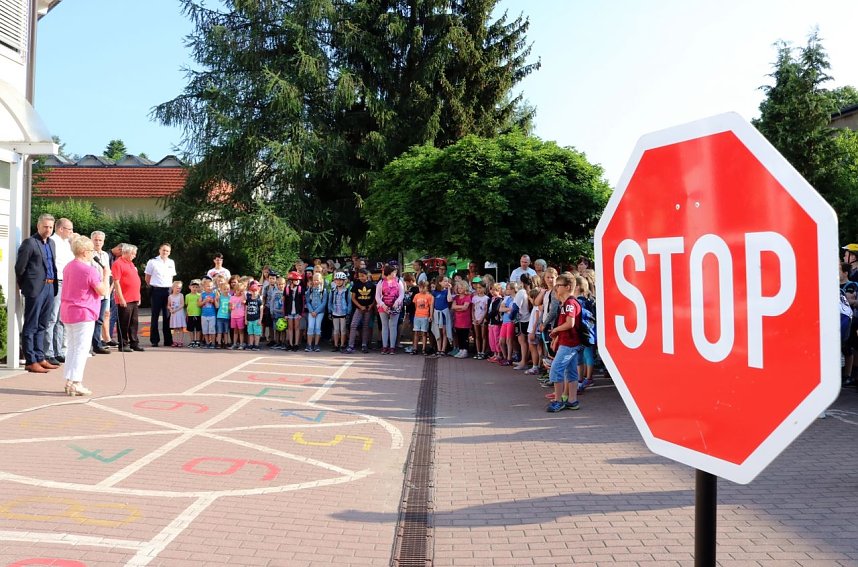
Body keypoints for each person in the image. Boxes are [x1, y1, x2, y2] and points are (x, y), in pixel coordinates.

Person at [60, 235, 111, 395]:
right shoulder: (89, 270)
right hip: (83, 312)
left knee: (72, 348)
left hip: (69, 311)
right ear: (83, 252)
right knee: (81, 350)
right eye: (90, 250)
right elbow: (102, 291)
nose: (92, 253)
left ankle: (69, 380)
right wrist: (105, 274)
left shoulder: (68, 266)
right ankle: (76, 382)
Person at [15, 214, 60, 373]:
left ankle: (40, 357)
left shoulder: (52, 243)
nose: (48, 230)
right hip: (35, 289)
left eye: (50, 227)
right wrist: (26, 286)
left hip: (49, 287)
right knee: (31, 324)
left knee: (43, 324)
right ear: (38, 226)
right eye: (45, 227)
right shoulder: (30, 243)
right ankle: (31, 360)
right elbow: (20, 268)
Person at [546, 274, 582, 413]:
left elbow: (570, 323)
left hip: (569, 343)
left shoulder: (570, 303)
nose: (556, 288)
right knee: (571, 371)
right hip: (569, 342)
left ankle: (558, 400)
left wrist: (555, 330)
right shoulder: (566, 303)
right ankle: (572, 400)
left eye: (558, 285)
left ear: (567, 287)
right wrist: (556, 338)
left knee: (556, 369)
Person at [45, 217, 74, 364]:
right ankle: (48, 352)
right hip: (57, 282)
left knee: (61, 319)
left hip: (67, 283)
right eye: (69, 229)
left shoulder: (67, 244)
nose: (71, 232)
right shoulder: (52, 242)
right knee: (52, 317)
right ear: (61, 229)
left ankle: (59, 351)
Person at [111, 244, 144, 352]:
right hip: (125, 298)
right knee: (124, 322)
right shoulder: (118, 264)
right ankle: (123, 344)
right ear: (126, 252)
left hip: (134, 297)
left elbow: (135, 280)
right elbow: (116, 282)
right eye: (133, 253)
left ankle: (134, 342)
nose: (134, 256)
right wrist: (121, 298)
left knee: (134, 322)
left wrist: (138, 296)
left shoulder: (130, 263)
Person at [144, 243, 177, 347]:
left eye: (167, 251)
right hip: (156, 290)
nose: (165, 252)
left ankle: (168, 340)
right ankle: (154, 340)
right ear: (159, 250)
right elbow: (147, 278)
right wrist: (153, 287)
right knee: (155, 316)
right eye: (163, 250)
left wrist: (171, 291)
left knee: (167, 316)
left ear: (170, 252)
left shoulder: (171, 262)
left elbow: (171, 277)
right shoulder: (152, 261)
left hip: (168, 290)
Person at [88, 231, 112, 355]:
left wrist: (108, 290)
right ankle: (90, 346)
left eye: (100, 240)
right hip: (94, 291)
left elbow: (107, 274)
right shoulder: (89, 255)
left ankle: (97, 344)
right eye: (96, 240)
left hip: (105, 292)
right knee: (91, 319)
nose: (98, 242)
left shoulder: (105, 255)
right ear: (91, 240)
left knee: (100, 319)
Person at [345, 268, 375, 354]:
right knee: (353, 325)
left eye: (363, 276)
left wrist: (370, 306)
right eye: (359, 276)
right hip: (359, 308)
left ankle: (364, 345)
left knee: (366, 326)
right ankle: (350, 345)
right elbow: (353, 298)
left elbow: (374, 298)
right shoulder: (356, 285)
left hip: (368, 309)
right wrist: (360, 306)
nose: (361, 278)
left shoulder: (372, 285)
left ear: (367, 275)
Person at [376, 265, 404, 355]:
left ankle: (392, 347)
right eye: (393, 272)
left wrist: (397, 302)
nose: (395, 274)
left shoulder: (399, 281)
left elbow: (401, 294)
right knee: (384, 326)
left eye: (395, 272)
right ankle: (385, 346)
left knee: (393, 326)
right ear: (389, 273)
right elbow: (377, 296)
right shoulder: (381, 282)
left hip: (395, 306)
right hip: (383, 306)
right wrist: (382, 304)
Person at [328, 271, 351, 352]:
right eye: (337, 280)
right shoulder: (333, 290)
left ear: (344, 281)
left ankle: (342, 345)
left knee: (343, 329)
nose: (339, 281)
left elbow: (349, 302)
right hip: (335, 312)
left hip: (343, 312)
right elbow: (330, 302)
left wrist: (348, 313)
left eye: (341, 280)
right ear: (334, 281)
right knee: (336, 329)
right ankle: (335, 345)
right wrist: (330, 312)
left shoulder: (347, 291)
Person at [305, 272, 328, 352]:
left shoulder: (323, 290)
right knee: (310, 327)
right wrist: (311, 311)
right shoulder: (309, 290)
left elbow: (324, 302)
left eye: (317, 280)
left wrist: (316, 311)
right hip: (311, 312)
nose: (315, 282)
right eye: (314, 280)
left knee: (317, 327)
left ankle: (316, 345)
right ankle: (309, 345)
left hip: (320, 312)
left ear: (321, 280)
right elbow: (307, 301)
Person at [450, 280, 473, 359]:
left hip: (465, 320)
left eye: (461, 288)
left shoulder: (467, 297)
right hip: (458, 320)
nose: (459, 290)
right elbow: (453, 307)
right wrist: (461, 307)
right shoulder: (456, 297)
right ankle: (461, 349)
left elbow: (465, 307)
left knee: (465, 336)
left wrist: (458, 308)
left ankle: (465, 350)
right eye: (458, 288)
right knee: (459, 335)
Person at [431, 276, 452, 357]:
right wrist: (431, 315)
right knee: (438, 332)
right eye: (445, 281)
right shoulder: (434, 292)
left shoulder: (446, 291)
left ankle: (443, 349)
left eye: (447, 281)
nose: (447, 283)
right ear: (439, 282)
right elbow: (432, 304)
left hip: (444, 313)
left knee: (444, 332)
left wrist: (449, 289)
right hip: (436, 313)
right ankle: (438, 349)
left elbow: (449, 300)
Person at [284, 271, 305, 351]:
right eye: (296, 280)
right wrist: (285, 313)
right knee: (290, 328)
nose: (298, 281)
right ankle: (290, 344)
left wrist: (301, 313)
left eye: (298, 280)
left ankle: (296, 344)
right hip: (289, 311)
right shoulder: (287, 289)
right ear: (291, 280)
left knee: (296, 328)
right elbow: (284, 303)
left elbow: (303, 302)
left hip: (297, 312)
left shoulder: (300, 289)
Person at [411, 280, 434, 356]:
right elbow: (415, 306)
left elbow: (431, 307)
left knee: (424, 333)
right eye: (420, 287)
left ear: (427, 288)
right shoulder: (416, 296)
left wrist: (430, 315)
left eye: (423, 287)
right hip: (417, 316)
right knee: (416, 332)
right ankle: (415, 348)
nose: (421, 289)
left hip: (425, 316)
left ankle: (424, 348)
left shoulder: (429, 296)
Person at [471, 279, 489, 360]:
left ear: (484, 288)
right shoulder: (474, 298)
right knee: (477, 336)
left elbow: (486, 310)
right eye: (477, 288)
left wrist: (482, 318)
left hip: (483, 319)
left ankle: (483, 352)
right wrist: (474, 318)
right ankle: (478, 352)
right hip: (476, 319)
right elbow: (473, 309)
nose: (479, 289)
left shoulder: (486, 298)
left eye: (481, 288)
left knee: (483, 336)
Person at [199, 278, 218, 349]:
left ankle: (213, 343)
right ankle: (207, 343)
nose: (209, 288)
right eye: (208, 286)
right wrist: (204, 301)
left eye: (211, 286)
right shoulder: (202, 294)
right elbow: (199, 304)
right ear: (204, 287)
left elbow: (216, 306)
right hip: (204, 315)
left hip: (212, 315)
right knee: (205, 330)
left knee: (212, 330)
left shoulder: (214, 294)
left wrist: (212, 301)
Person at [245, 280, 264, 350]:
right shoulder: (248, 300)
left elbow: (261, 311)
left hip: (256, 319)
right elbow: (246, 310)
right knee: (250, 333)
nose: (254, 292)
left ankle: (256, 345)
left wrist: (260, 320)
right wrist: (246, 319)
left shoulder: (259, 300)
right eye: (252, 291)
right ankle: (251, 344)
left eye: (255, 290)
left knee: (257, 333)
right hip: (249, 319)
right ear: (250, 291)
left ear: (258, 291)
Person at [229, 279, 247, 349]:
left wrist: (243, 294)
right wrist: (231, 307)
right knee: (235, 331)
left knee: (241, 331)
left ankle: (241, 344)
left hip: (240, 316)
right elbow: (230, 307)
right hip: (233, 316)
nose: (239, 292)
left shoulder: (242, 298)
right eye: (237, 290)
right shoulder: (232, 297)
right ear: (234, 290)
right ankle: (234, 343)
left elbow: (244, 301)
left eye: (241, 291)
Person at [168, 280, 187, 348]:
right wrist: (170, 309)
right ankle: (175, 341)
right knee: (175, 329)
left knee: (181, 328)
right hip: (173, 314)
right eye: (177, 287)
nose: (178, 289)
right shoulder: (170, 296)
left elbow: (182, 304)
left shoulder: (181, 295)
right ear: (173, 287)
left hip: (179, 314)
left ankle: (180, 341)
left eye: (180, 288)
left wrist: (175, 310)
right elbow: (168, 305)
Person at [185, 279, 203, 348]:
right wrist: (187, 313)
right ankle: (192, 341)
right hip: (190, 314)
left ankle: (197, 341)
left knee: (198, 329)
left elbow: (200, 304)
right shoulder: (187, 296)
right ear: (190, 287)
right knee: (190, 329)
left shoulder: (200, 295)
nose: (195, 288)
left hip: (198, 314)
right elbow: (187, 304)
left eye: (196, 287)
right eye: (193, 287)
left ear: (198, 288)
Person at [215, 279, 232, 349]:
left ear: (229, 289)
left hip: (227, 317)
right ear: (221, 290)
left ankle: (225, 343)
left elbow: (231, 308)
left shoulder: (230, 297)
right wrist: (216, 300)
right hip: (220, 316)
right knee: (219, 331)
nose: (226, 290)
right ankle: (219, 343)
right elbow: (217, 306)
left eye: (227, 289)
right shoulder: (220, 297)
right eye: (224, 289)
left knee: (225, 332)